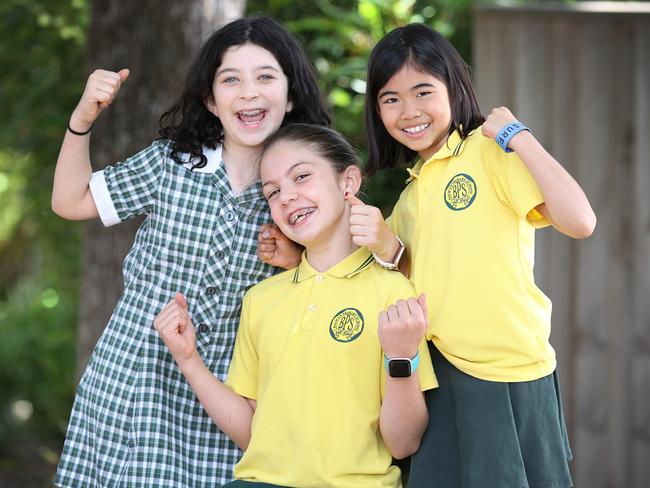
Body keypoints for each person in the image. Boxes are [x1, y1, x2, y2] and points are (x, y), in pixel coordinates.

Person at [51, 16, 329, 487]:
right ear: (210, 99)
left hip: (232, 389)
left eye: (265, 76)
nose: (249, 92)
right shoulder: (173, 163)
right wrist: (82, 120)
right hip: (141, 371)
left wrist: (297, 258)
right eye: (231, 79)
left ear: (291, 94)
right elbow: (70, 200)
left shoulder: (300, 186)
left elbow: (336, 271)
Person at [360, 24, 596, 488]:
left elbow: (580, 221)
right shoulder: (409, 196)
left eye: (423, 91)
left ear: (454, 85)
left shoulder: (489, 153)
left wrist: (517, 135)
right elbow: (424, 277)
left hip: (511, 371)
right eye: (390, 99)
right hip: (442, 375)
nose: (408, 112)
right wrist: (388, 247)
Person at [155, 123, 438, 488]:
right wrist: (188, 359)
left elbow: (404, 443)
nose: (286, 197)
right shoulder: (261, 300)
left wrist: (401, 355)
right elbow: (254, 435)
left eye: (301, 176)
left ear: (347, 182)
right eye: (272, 192)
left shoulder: (393, 292)